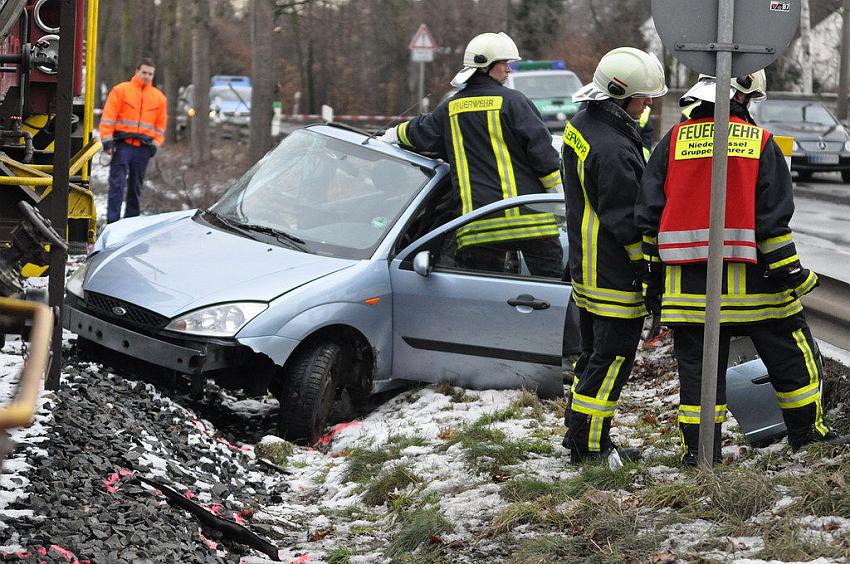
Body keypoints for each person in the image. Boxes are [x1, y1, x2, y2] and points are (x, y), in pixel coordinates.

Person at [635, 70, 848, 466]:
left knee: (699, 381)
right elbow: (772, 225)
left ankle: (701, 457)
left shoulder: (671, 144)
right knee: (793, 363)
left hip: (690, 295)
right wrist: (793, 276)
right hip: (760, 292)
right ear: (743, 97)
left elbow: (648, 220)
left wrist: (652, 280)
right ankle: (809, 437)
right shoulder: (761, 143)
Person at [380, 32, 564, 277]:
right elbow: (544, 157)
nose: (509, 70)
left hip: (478, 228)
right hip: (532, 223)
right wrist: (558, 201)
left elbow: (418, 132)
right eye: (504, 63)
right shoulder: (514, 102)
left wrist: (387, 137)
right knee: (555, 296)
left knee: (485, 302)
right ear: (487, 67)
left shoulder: (450, 108)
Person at [560, 47, 667, 465]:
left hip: (587, 269)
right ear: (621, 97)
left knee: (592, 356)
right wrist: (648, 269)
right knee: (612, 360)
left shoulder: (583, 125)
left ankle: (580, 435)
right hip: (613, 274)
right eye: (643, 99)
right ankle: (592, 448)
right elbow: (626, 221)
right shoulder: (614, 149)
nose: (648, 106)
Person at [99, 57, 167, 224]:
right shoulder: (121, 90)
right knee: (117, 186)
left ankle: (130, 224)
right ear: (137, 71)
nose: (146, 76)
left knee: (136, 188)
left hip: (143, 148)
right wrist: (107, 141)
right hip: (122, 145)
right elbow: (108, 117)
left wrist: (155, 146)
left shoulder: (159, 98)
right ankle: (112, 224)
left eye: (150, 74)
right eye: (144, 72)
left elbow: (160, 126)